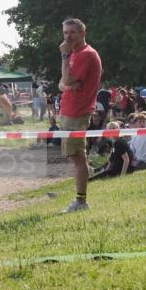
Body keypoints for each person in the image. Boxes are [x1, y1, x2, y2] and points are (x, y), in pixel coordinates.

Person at [57, 17, 103, 213]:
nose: (68, 37)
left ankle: (81, 201)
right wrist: (68, 83)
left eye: (72, 32)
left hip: (76, 112)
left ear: (83, 34)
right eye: (65, 33)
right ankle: (84, 183)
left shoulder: (85, 55)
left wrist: (64, 58)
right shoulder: (75, 54)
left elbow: (65, 79)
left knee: (77, 157)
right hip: (68, 111)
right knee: (76, 157)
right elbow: (61, 83)